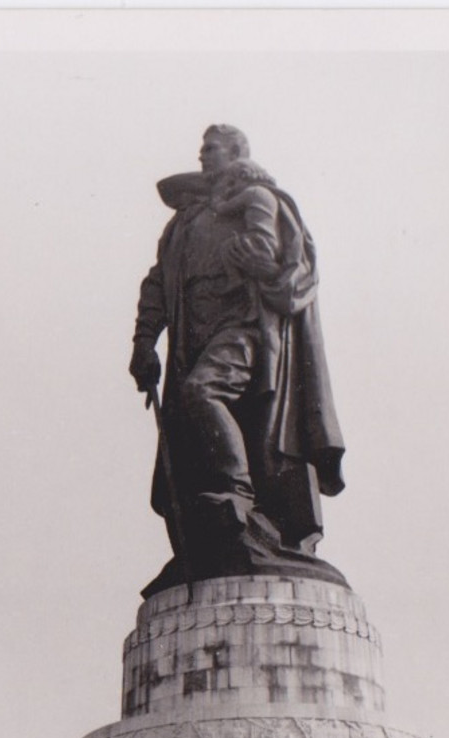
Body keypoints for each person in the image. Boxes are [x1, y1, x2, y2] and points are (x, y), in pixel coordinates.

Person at [129, 125, 345, 590]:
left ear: (236, 153)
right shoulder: (182, 224)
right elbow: (156, 285)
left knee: (202, 392)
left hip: (246, 329)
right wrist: (144, 342)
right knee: (191, 415)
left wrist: (246, 253)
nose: (202, 156)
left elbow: (272, 260)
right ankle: (219, 517)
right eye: (202, 149)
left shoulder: (258, 200)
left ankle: (237, 495)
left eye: (211, 148)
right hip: (191, 339)